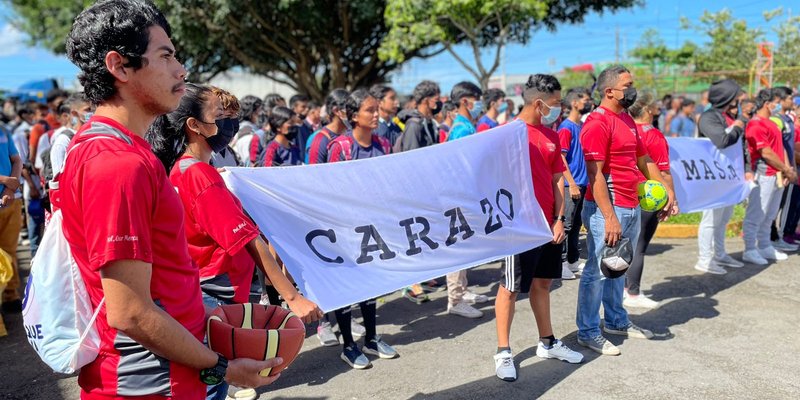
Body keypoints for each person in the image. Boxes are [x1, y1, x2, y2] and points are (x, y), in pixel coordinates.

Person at [60, 1, 283, 398]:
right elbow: (129, 311)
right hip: (153, 383)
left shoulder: (118, 149)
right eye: (165, 56)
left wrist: (208, 315)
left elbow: (160, 279)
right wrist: (223, 368)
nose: (181, 70)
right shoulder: (117, 163)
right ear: (120, 66)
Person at [147, 82, 323, 400]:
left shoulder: (187, 169)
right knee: (213, 383)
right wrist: (293, 298)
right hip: (216, 295)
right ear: (195, 125)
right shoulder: (199, 174)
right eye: (220, 115)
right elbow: (249, 241)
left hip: (207, 291)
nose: (230, 124)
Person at [577, 65, 675, 356]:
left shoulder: (626, 120)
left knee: (618, 268)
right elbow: (594, 175)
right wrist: (609, 218)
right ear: (609, 91)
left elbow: (643, 158)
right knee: (597, 272)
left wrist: (667, 191)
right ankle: (588, 331)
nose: (633, 90)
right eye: (627, 85)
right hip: (608, 209)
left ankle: (617, 321)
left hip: (631, 205)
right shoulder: (596, 123)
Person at [493, 74, 584, 383]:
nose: (560, 108)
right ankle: (503, 351)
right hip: (519, 228)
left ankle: (547, 342)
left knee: (542, 284)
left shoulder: (551, 134)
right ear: (538, 103)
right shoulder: (507, 134)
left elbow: (558, 178)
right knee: (510, 287)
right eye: (556, 104)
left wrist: (559, 219)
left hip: (549, 224)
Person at [327, 89, 398, 369]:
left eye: (377, 108)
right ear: (353, 116)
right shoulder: (340, 147)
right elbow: (331, 188)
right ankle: (348, 345)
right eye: (370, 110)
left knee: (371, 283)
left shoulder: (382, 143)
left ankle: (371, 338)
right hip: (345, 229)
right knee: (349, 286)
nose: (377, 114)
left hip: (374, 226)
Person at [626, 91, 678, 309]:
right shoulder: (653, 135)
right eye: (656, 104)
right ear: (647, 109)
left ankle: (620, 289)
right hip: (649, 196)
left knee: (626, 245)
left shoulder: (626, 130)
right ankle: (633, 293)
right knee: (640, 246)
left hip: (626, 193)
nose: (659, 107)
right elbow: (663, 172)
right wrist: (672, 199)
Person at [695, 79, 750, 274]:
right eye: (735, 96)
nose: (739, 100)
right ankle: (705, 259)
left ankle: (719, 253)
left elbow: (741, 147)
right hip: (713, 177)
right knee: (710, 219)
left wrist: (748, 168)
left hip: (729, 176)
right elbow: (722, 140)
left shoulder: (727, 115)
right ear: (727, 97)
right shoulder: (708, 117)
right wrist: (737, 126)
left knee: (723, 219)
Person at [741, 89, 798, 265]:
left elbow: (780, 148)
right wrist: (786, 169)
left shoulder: (772, 123)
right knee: (758, 212)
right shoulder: (755, 124)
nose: (778, 105)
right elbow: (765, 152)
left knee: (770, 213)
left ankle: (765, 245)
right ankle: (750, 249)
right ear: (767, 104)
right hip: (764, 173)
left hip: (778, 174)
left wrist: (787, 169)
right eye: (776, 102)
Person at [557, 87, 592, 280]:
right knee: (567, 225)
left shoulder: (581, 127)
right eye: (586, 100)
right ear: (574, 103)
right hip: (572, 186)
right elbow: (561, 159)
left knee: (577, 225)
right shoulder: (566, 128)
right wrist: (572, 184)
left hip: (582, 184)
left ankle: (572, 260)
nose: (589, 103)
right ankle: (560, 263)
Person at [770, 86, 799, 252]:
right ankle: (774, 237)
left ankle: (776, 237)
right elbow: (777, 146)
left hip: (788, 168)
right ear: (780, 100)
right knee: (774, 207)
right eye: (789, 98)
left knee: (779, 205)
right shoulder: (775, 119)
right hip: (778, 169)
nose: (792, 101)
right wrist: (786, 168)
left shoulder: (787, 119)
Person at [0, 111, 22, 314]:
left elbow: (16, 160)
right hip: (8, 195)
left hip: (10, 202)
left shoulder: (4, 131)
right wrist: (5, 181)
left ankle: (11, 295)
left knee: (9, 252)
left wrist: (9, 189)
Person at [305, 89, 350, 165]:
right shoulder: (320, 139)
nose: (353, 113)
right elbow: (314, 172)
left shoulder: (350, 133)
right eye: (349, 109)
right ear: (336, 111)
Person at [397, 80, 440, 152]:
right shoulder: (414, 125)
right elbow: (411, 155)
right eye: (436, 99)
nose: (439, 103)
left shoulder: (430, 123)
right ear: (425, 100)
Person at [209, 87, 242, 168]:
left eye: (235, 115)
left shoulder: (230, 151)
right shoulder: (203, 154)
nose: (234, 121)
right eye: (229, 116)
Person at [233, 95, 263, 166]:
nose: (261, 114)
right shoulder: (247, 131)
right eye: (258, 111)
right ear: (251, 112)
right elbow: (249, 161)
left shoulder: (245, 128)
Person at [289, 94, 312, 160]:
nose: (307, 109)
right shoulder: (290, 129)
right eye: (303, 107)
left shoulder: (307, 127)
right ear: (294, 108)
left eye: (307, 107)